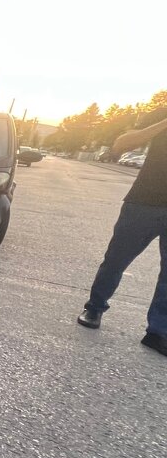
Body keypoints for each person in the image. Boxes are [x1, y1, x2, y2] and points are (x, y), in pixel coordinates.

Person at [77, 114, 167, 357]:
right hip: (143, 203)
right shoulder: (162, 112)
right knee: (116, 260)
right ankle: (95, 308)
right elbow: (121, 144)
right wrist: (164, 121)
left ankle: (158, 332)